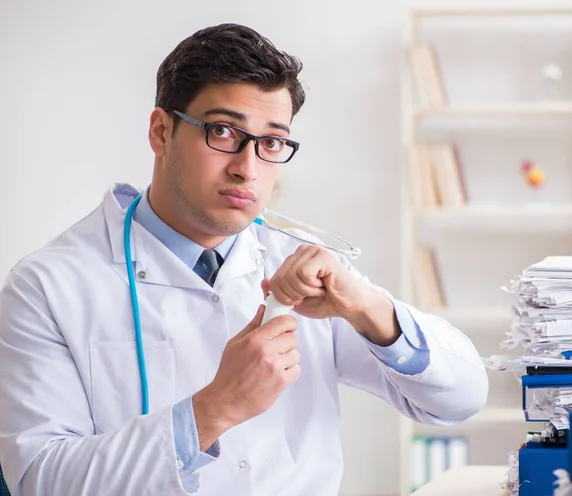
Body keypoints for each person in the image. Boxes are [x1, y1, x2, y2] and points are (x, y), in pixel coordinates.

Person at [0, 23, 488, 496]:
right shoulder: (47, 285)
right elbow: (39, 481)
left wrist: (367, 307)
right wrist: (213, 410)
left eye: (271, 142)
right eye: (223, 131)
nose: (246, 168)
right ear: (161, 132)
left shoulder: (302, 267)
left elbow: (460, 399)